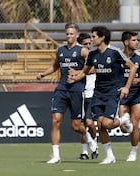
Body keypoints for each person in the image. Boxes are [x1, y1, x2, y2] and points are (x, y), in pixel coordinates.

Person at [68, 26, 136, 164]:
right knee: (100, 125)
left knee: (107, 123)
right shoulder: (92, 55)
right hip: (98, 93)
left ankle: (123, 120)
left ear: (102, 37)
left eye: (94, 37)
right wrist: (75, 78)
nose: (92, 39)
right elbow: (85, 71)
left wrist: (126, 87)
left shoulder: (115, 52)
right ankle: (110, 156)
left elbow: (133, 67)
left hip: (113, 92)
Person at [36, 23, 98, 164]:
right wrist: (43, 74)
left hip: (76, 91)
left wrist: (78, 73)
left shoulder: (82, 51)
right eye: (67, 34)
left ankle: (89, 139)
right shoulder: (61, 50)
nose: (69, 36)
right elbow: (55, 65)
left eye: (71, 34)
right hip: (61, 89)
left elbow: (95, 68)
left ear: (76, 35)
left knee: (76, 126)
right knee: (55, 120)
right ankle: (56, 156)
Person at [119, 31, 140, 162]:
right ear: (126, 42)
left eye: (137, 40)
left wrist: (136, 80)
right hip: (122, 94)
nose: (137, 42)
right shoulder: (117, 56)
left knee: (134, 123)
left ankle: (133, 152)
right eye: (134, 40)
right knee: (123, 127)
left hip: (138, 94)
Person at [76, 33, 99, 160]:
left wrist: (81, 72)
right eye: (86, 44)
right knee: (81, 125)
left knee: (90, 123)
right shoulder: (78, 57)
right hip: (80, 93)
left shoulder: (94, 56)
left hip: (92, 94)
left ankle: (95, 145)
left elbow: (96, 68)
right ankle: (85, 152)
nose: (89, 46)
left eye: (90, 43)